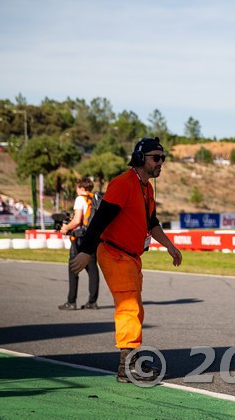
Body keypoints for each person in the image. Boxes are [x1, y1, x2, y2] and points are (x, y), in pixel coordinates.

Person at [69, 137, 183, 384]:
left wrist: (170, 246)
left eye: (162, 158)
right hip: (114, 253)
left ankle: (130, 359)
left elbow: (152, 223)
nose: (161, 163)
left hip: (132, 257)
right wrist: (85, 250)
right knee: (129, 308)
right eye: (156, 158)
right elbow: (100, 220)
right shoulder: (123, 183)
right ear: (141, 159)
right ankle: (126, 367)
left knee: (136, 310)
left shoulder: (147, 188)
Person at [58, 177, 100, 310]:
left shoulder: (80, 199)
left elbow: (77, 221)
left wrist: (66, 228)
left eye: (77, 188)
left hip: (79, 237)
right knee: (92, 268)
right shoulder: (94, 199)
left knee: (73, 268)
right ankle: (92, 301)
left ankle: (71, 301)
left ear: (81, 188)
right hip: (92, 236)